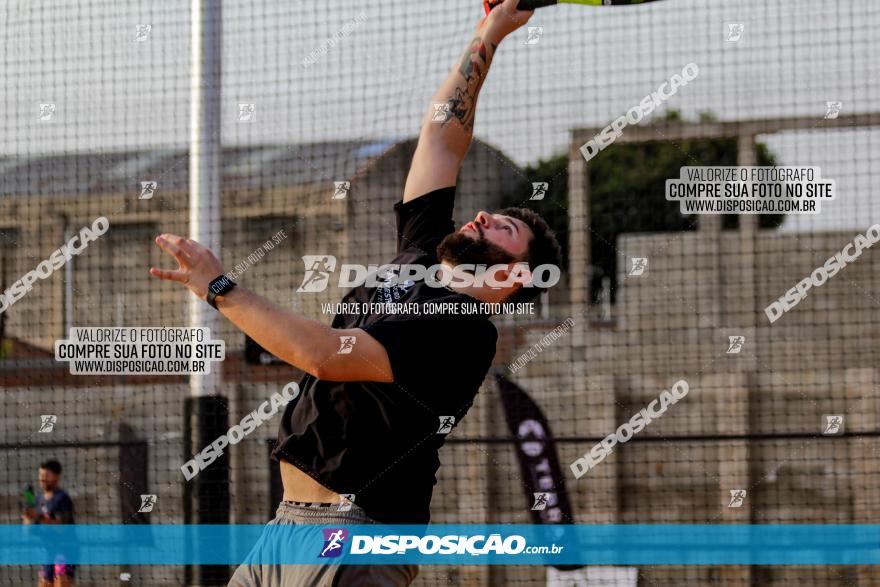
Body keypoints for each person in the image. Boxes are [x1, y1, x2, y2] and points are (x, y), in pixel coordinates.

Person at [149, 1, 561, 584]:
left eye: (505, 229)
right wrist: (488, 34)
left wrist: (220, 288)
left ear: (512, 277)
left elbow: (325, 355)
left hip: (356, 533)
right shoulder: (421, 255)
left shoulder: (463, 336)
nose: (486, 215)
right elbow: (442, 140)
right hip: (289, 525)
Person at [22, 460, 76, 587]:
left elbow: (64, 528)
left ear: (56, 476)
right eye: (41, 475)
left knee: (61, 582)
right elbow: (29, 531)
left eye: (46, 475)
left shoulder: (63, 498)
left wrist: (39, 516)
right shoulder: (38, 500)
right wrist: (27, 518)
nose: (42, 479)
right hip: (46, 551)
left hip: (64, 550)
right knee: (44, 583)